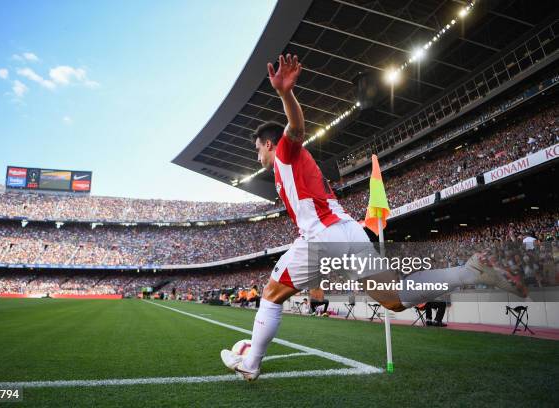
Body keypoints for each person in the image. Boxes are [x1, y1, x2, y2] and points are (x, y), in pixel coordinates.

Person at [220, 54, 527, 381]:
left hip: (327, 236)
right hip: (335, 235)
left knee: (276, 294)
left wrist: (285, 93)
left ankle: (251, 362)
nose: (258, 155)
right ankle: (468, 272)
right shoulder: (286, 169)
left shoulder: (284, 152)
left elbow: (295, 128)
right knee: (390, 299)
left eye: (257, 149)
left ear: (269, 144)